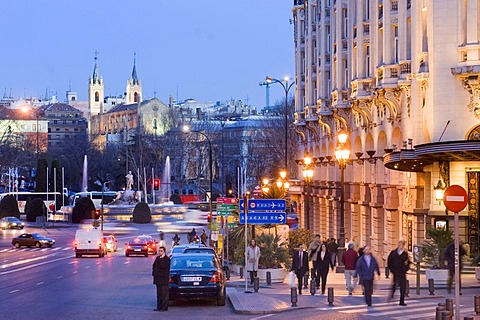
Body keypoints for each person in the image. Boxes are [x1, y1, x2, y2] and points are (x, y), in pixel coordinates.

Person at [387, 240, 411, 306]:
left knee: (403, 286)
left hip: (402, 272)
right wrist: (391, 269)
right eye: (399, 244)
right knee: (394, 284)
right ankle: (392, 293)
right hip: (395, 271)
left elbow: (408, 262)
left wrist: (406, 269)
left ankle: (401, 301)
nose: (400, 245)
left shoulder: (405, 254)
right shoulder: (393, 253)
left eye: (401, 244)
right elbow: (389, 261)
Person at [152, 246, 170, 311]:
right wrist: (154, 274)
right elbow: (154, 266)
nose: (160, 252)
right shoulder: (157, 258)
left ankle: (164, 307)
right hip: (158, 279)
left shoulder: (167, 259)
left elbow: (163, 266)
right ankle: (159, 307)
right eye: (159, 251)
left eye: (161, 251)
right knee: (159, 294)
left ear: (164, 252)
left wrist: (161, 259)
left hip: (164, 279)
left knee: (164, 294)